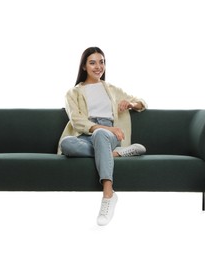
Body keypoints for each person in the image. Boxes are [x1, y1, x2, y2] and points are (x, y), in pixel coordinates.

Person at [58, 47, 147, 226]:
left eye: (102, 62)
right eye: (92, 62)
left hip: (109, 134)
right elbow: (77, 122)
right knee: (66, 143)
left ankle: (108, 193)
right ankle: (115, 153)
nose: (98, 66)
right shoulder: (72, 93)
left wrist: (130, 103)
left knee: (101, 134)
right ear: (84, 66)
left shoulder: (111, 89)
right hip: (86, 135)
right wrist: (98, 128)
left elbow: (142, 102)